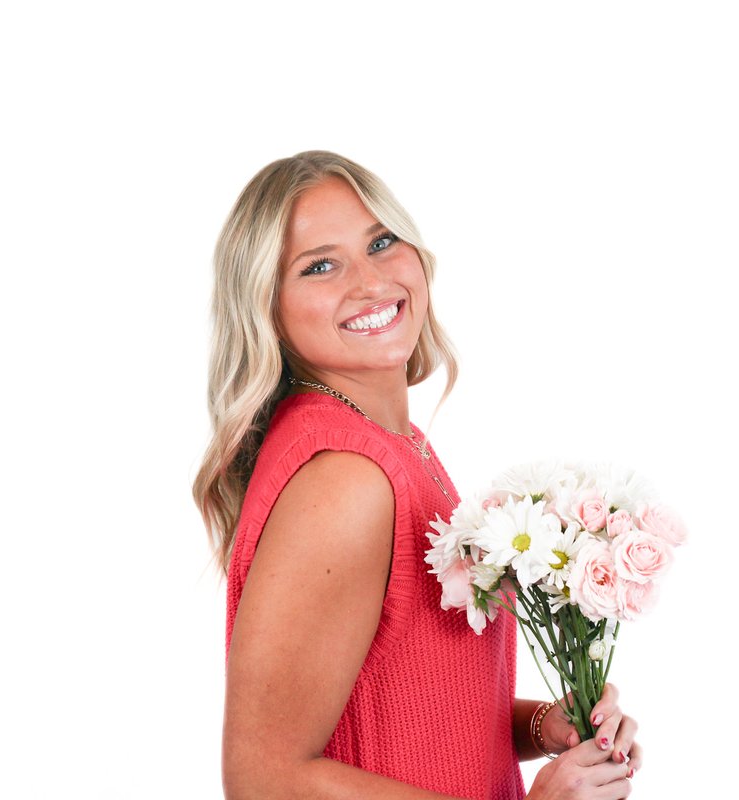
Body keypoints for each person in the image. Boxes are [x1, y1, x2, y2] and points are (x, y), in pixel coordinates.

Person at [193, 150, 640, 799]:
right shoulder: (345, 478)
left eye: (381, 242)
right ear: (267, 309)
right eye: (320, 265)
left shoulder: (396, 448)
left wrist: (549, 727)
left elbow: (420, 708)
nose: (370, 281)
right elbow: (264, 779)